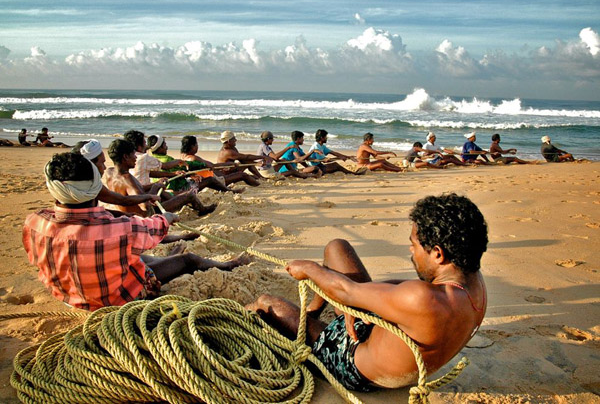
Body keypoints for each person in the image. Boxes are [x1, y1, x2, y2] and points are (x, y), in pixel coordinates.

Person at [247, 193, 487, 392]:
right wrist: (359, 299)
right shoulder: (473, 284)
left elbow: (346, 289)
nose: (410, 249)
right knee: (336, 248)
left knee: (266, 302)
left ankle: (307, 328)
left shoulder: (421, 298)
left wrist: (310, 269)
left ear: (437, 253)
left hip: (354, 366)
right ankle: (311, 315)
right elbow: (402, 291)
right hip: (388, 348)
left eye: (413, 244)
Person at [23, 152, 248, 311]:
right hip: (114, 302)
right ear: (95, 187)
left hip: (69, 298)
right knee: (188, 260)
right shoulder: (117, 230)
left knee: (131, 255)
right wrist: (168, 217)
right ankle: (229, 265)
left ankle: (162, 261)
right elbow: (155, 227)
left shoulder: (33, 223)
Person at [103, 139, 217, 217]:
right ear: (125, 157)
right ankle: (203, 210)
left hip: (127, 211)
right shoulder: (127, 178)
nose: (135, 158)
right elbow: (145, 206)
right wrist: (154, 189)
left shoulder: (109, 172)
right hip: (146, 215)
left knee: (165, 193)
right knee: (190, 195)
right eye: (133, 155)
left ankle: (180, 201)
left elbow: (132, 192)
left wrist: (155, 184)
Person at [178, 135, 243, 192]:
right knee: (242, 175)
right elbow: (212, 166)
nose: (197, 146)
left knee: (220, 173)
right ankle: (231, 191)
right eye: (196, 145)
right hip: (209, 182)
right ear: (192, 146)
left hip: (197, 179)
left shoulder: (182, 156)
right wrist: (230, 164)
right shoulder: (193, 158)